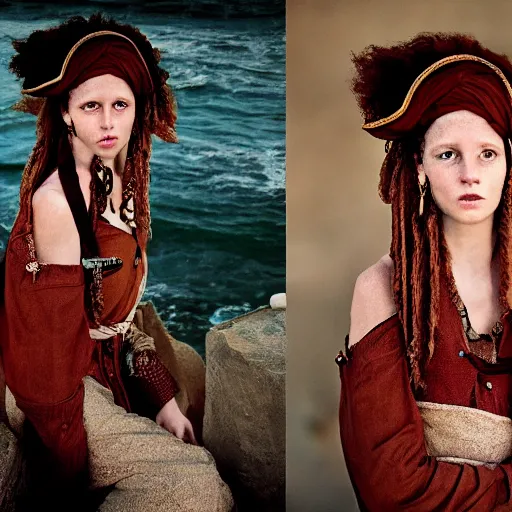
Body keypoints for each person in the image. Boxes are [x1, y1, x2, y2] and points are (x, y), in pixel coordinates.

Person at [0, 13, 233, 511]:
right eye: (91, 106)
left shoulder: (120, 175)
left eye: (119, 105)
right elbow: (45, 351)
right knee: (197, 486)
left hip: (102, 357)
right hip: (57, 384)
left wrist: (159, 393)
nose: (108, 123)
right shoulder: (61, 202)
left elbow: (116, 317)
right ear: (65, 113)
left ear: (136, 109)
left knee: (187, 418)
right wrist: (67, 457)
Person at [336, 33, 512, 511]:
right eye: (448, 154)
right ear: (419, 167)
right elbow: (391, 490)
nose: (470, 173)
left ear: (507, 165)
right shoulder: (382, 289)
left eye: (487, 153)